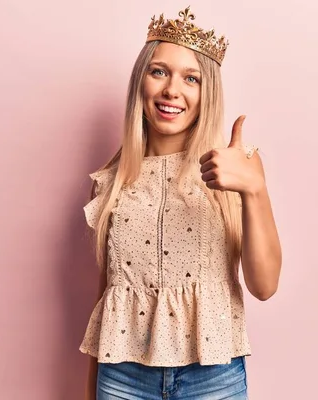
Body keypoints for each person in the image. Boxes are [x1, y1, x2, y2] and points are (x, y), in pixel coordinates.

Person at [80, 7, 282, 400]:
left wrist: (254, 190)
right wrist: (92, 389)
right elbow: (107, 295)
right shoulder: (111, 181)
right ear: (141, 82)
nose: (173, 89)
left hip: (213, 378)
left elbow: (265, 286)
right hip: (122, 378)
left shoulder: (233, 169)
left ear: (207, 93)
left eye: (192, 78)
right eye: (159, 72)